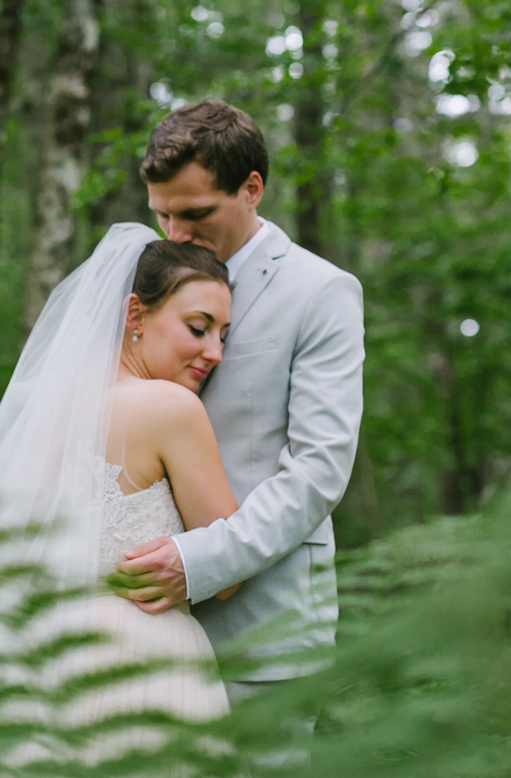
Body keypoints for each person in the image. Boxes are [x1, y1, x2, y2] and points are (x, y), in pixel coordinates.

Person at [0, 228, 245, 768]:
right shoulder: (170, 407)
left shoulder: (42, 411)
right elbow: (231, 571)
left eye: (223, 334)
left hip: (36, 663)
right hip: (137, 669)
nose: (215, 352)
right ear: (135, 315)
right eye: (198, 328)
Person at [113, 99, 365, 724]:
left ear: (252, 189)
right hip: (134, 635)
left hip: (261, 630)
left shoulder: (320, 292)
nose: (175, 234)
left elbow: (317, 473)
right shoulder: (143, 276)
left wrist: (197, 563)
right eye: (163, 214)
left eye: (195, 214)